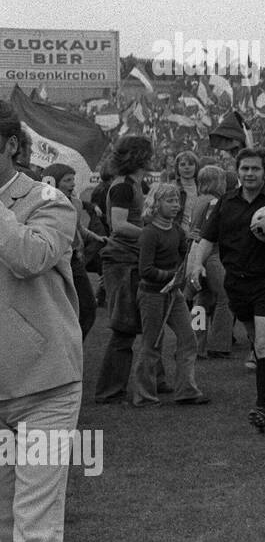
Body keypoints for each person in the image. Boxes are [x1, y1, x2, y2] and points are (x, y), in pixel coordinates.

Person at [0, 101, 82, 542]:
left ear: (10, 146)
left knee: (35, 529)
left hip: (47, 386)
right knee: (11, 534)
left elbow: (28, 257)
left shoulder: (49, 200)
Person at [188, 147, 265, 432]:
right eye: (245, 169)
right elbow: (207, 238)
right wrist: (197, 265)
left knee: (263, 342)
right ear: (238, 171)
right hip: (236, 282)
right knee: (256, 341)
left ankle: (262, 405)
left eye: (255, 169)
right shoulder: (225, 202)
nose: (250, 174)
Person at [92, 136, 155, 404]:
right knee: (124, 327)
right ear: (140, 156)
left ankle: (154, 381)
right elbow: (118, 224)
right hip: (122, 259)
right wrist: (150, 235)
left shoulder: (134, 185)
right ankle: (109, 391)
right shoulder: (123, 187)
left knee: (148, 322)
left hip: (132, 257)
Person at [131, 183, 207, 407]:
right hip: (152, 295)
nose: (175, 205)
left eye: (177, 201)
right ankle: (143, 396)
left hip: (174, 294)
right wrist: (171, 275)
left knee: (188, 339)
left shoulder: (176, 230)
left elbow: (182, 256)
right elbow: (145, 270)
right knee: (151, 345)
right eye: (170, 201)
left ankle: (186, 391)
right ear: (156, 204)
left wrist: (190, 244)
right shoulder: (149, 233)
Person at [43, 164, 99, 337]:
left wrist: (95, 237)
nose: (72, 184)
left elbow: (78, 228)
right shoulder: (45, 204)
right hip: (54, 262)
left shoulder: (76, 203)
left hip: (74, 261)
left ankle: (74, 349)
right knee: (56, 312)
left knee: (87, 307)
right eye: (67, 180)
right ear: (53, 182)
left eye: (73, 180)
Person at [189, 165, 234, 359]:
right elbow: (214, 229)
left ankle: (195, 344)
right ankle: (219, 345)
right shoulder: (215, 201)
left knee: (201, 299)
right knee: (225, 298)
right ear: (217, 181)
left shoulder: (198, 200)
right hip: (212, 253)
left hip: (195, 252)